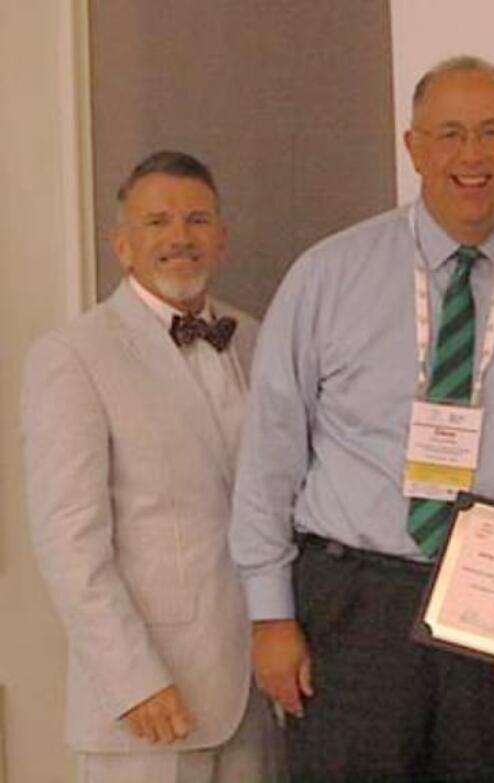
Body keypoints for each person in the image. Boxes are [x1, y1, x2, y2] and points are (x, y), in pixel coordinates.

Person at [228, 55, 494, 781]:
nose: (470, 156)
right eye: (448, 134)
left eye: (491, 133)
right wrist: (270, 615)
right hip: (355, 607)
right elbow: (270, 455)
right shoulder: (329, 274)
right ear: (412, 146)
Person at [21, 151, 278, 782]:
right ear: (123, 246)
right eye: (157, 222)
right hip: (147, 705)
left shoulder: (257, 336)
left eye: (196, 220)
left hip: (257, 692)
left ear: (220, 238)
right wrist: (132, 679)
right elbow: (69, 543)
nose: (179, 238)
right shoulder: (73, 356)